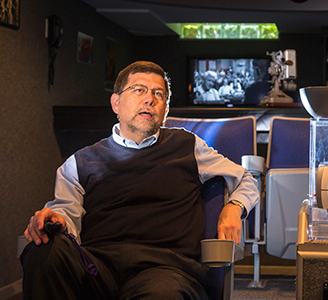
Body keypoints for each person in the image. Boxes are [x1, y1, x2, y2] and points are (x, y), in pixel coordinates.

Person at [20, 61, 259, 300]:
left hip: (165, 270)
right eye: (138, 90)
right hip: (96, 269)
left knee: (161, 294)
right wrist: (55, 221)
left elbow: (247, 179)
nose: (149, 99)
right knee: (44, 250)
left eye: (158, 94)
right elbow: (66, 215)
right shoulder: (79, 163)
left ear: (165, 110)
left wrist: (234, 207)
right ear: (116, 103)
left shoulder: (188, 146)